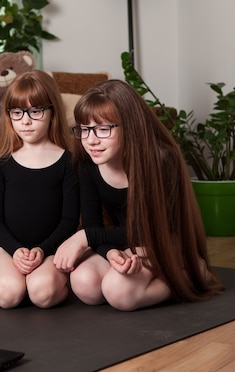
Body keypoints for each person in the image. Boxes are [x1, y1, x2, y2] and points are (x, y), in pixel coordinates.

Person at [54, 79, 224, 311]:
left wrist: (85, 238)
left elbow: (151, 230)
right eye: (84, 129)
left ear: (129, 125)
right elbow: (95, 224)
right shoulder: (87, 163)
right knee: (85, 285)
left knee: (119, 293)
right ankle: (135, 275)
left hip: (160, 241)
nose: (90, 140)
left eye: (103, 129)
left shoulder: (162, 160)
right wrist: (111, 252)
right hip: (122, 242)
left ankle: (192, 275)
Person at [0, 70, 80, 309]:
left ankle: (51, 282)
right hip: (10, 249)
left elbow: (69, 220)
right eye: (17, 112)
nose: (25, 121)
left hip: (51, 248)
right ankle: (1, 282)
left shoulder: (68, 161)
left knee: (42, 295)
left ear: (52, 113)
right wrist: (15, 250)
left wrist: (43, 249)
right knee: (8, 296)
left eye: (35, 111)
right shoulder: (1, 162)